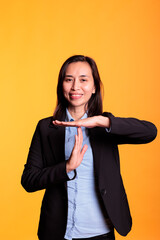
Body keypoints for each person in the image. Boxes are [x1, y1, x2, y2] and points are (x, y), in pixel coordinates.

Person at [21, 55, 157, 240]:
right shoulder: (46, 128)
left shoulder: (105, 127)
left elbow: (150, 132)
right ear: (62, 86)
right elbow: (28, 180)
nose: (75, 86)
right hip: (58, 232)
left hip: (100, 232)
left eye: (83, 80)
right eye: (69, 79)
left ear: (94, 87)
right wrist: (66, 167)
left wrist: (102, 120)